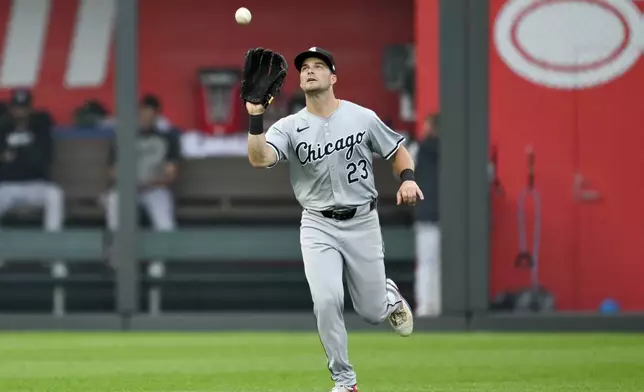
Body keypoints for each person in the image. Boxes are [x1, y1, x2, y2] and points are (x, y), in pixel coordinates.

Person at [245, 47, 423, 392]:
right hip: (317, 223)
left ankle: (388, 296)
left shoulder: (361, 117)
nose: (310, 71)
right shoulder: (289, 126)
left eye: (318, 66)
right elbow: (259, 157)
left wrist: (408, 179)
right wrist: (255, 118)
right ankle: (345, 381)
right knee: (326, 301)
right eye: (305, 68)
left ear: (333, 77)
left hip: (362, 221)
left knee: (372, 313)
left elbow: (397, 150)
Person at [409, 113, 441, 317]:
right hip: (452, 215)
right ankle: (439, 305)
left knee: (427, 263)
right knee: (443, 264)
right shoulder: (459, 151)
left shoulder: (417, 149)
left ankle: (425, 307)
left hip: (427, 214)